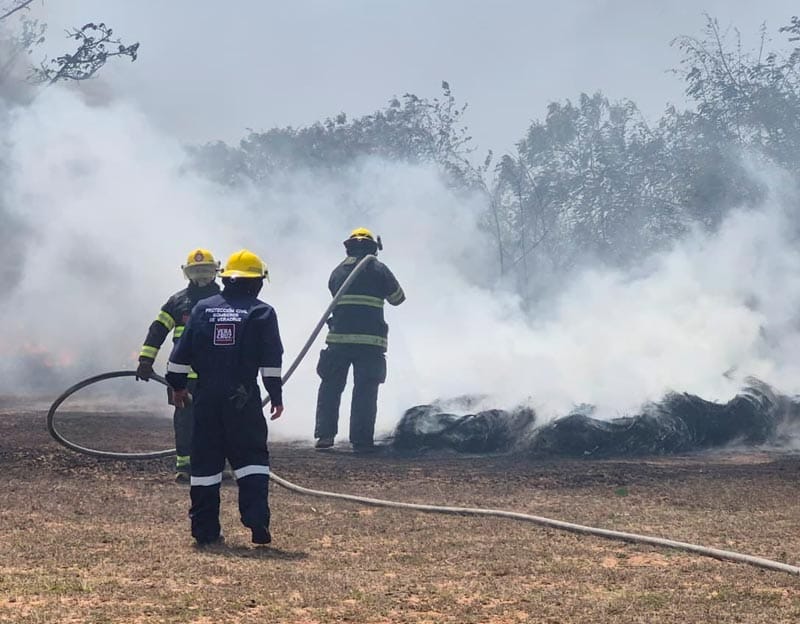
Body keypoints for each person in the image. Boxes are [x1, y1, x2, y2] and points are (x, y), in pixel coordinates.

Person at [165, 249, 284, 547]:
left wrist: (178, 386)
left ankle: (204, 531)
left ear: (225, 278)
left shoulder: (203, 309)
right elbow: (271, 360)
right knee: (251, 459)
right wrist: (276, 394)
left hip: (205, 397)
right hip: (243, 397)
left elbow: (179, 357)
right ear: (257, 281)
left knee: (204, 463)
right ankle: (256, 520)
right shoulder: (262, 312)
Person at [314, 228, 405, 453]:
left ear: (349, 246)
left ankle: (325, 437)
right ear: (373, 247)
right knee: (365, 391)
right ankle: (361, 441)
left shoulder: (337, 272)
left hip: (338, 342)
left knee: (330, 387)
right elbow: (398, 299)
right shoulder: (379, 269)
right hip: (370, 344)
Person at [136, 248, 221, 481]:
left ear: (216, 272)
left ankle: (218, 466)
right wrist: (146, 359)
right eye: (196, 272)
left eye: (206, 271)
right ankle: (184, 466)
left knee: (218, 422)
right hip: (182, 377)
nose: (201, 277)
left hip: (216, 377)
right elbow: (157, 331)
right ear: (187, 273)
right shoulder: (177, 302)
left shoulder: (226, 302)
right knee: (185, 422)